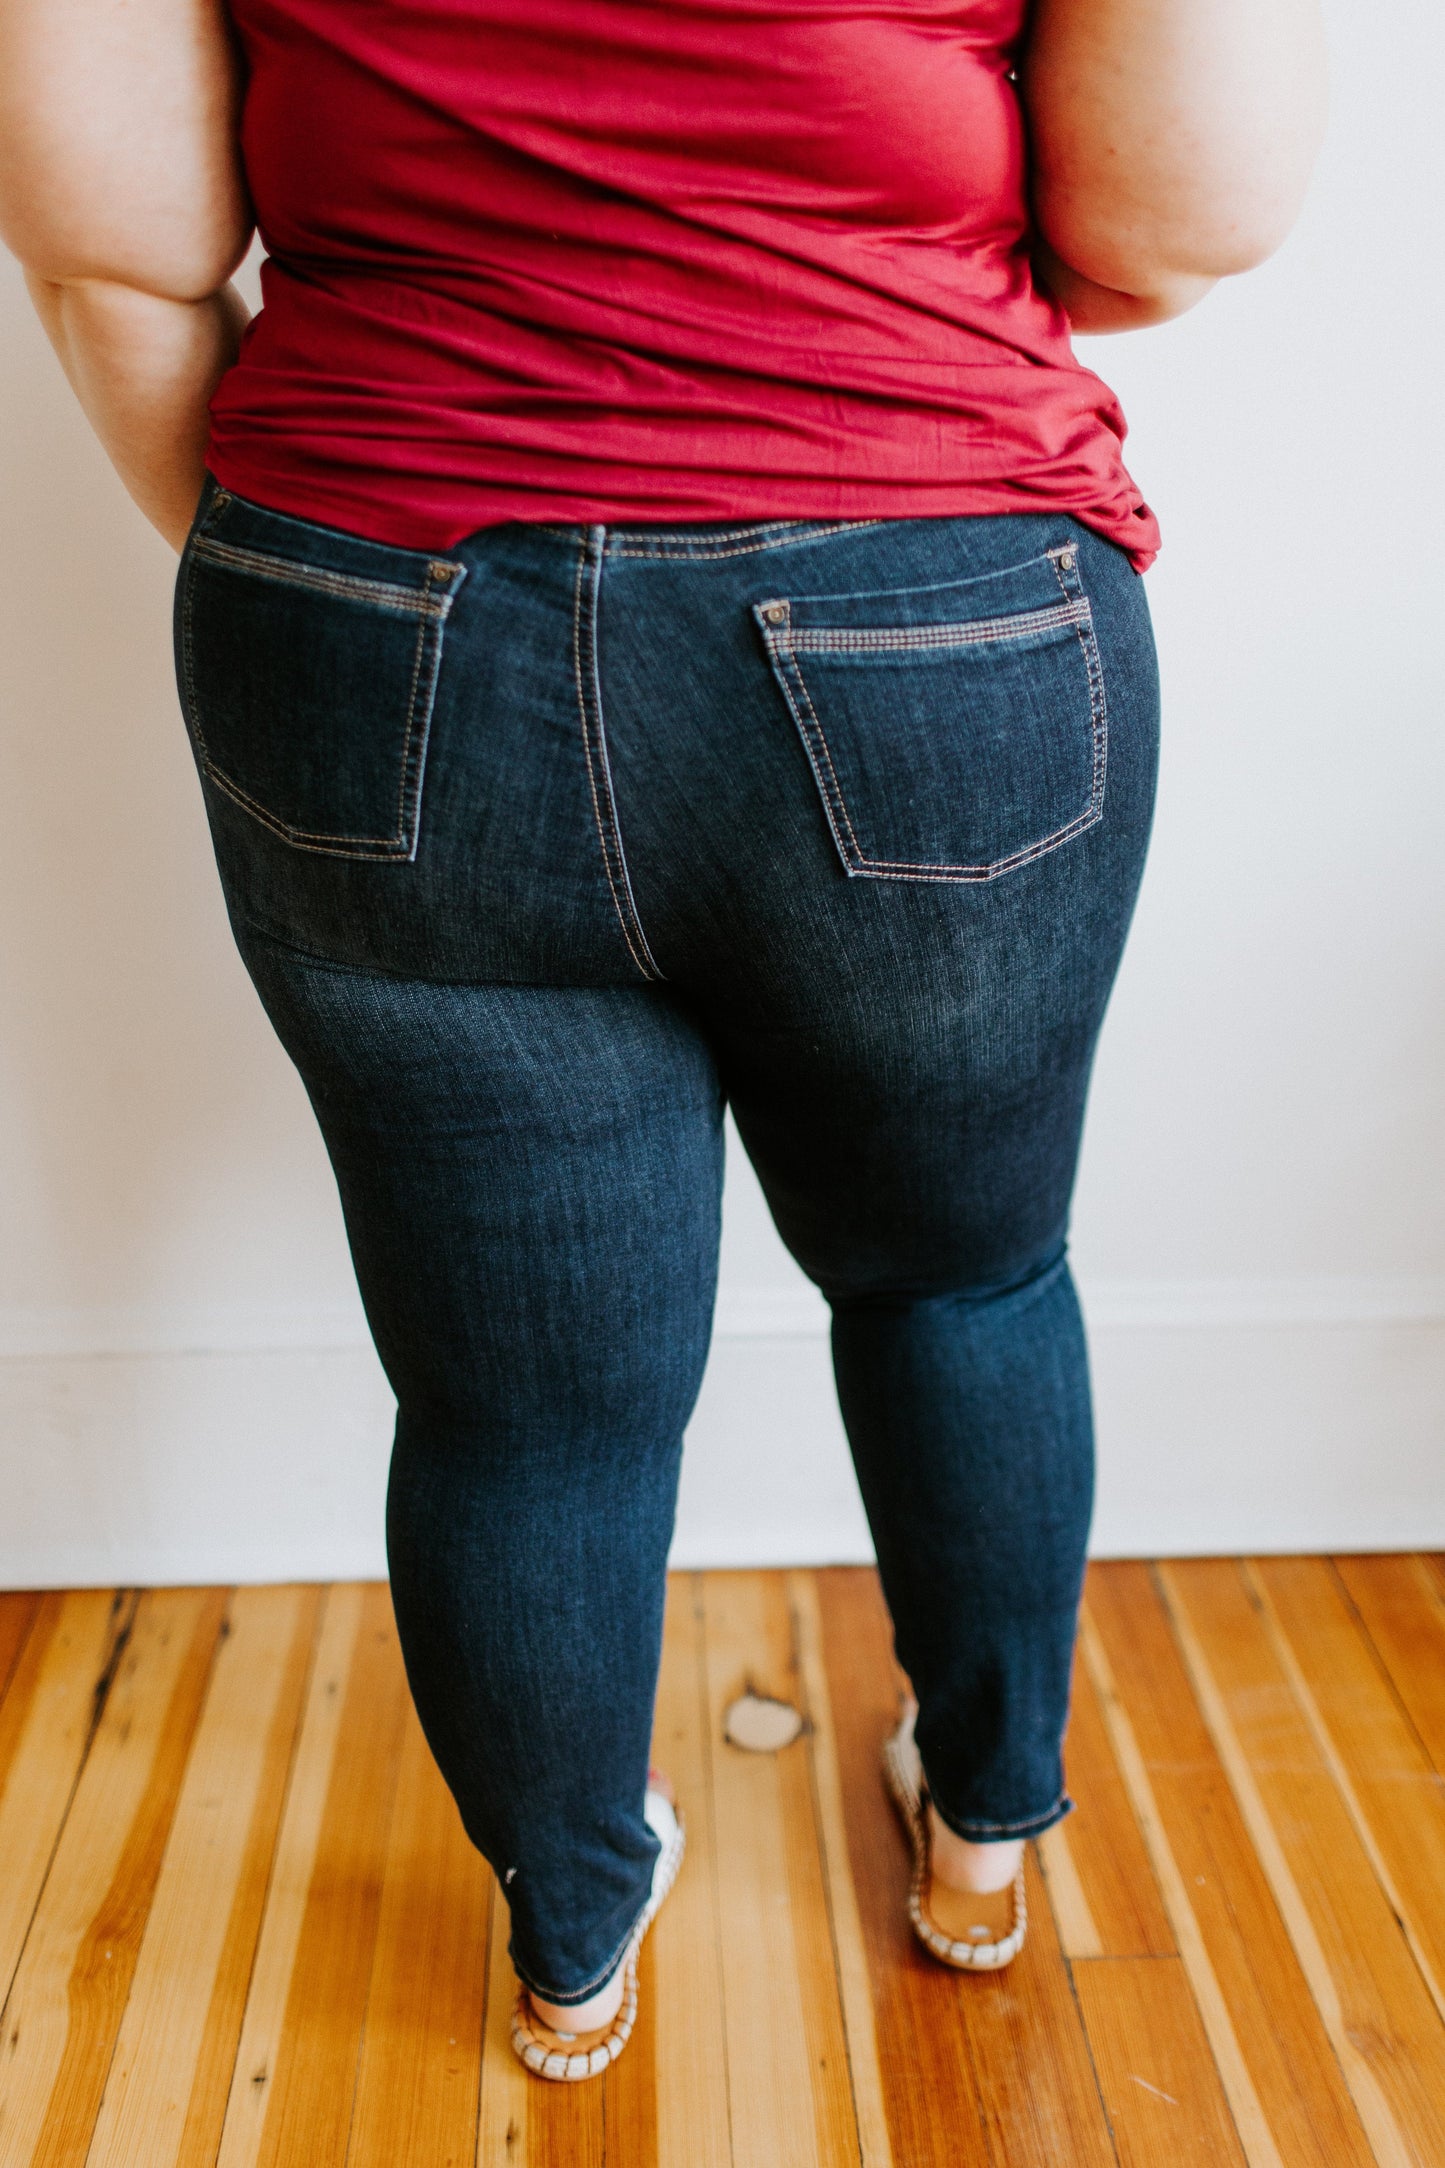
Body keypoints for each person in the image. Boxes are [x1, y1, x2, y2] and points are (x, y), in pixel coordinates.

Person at [0, 0, 1325, 2083]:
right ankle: (982, 1832)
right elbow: (1181, 218)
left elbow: (110, 240)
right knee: (962, 1269)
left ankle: (573, 1944)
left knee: (522, 1407)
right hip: (933, 604)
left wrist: (344, 570)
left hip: (378, 589)